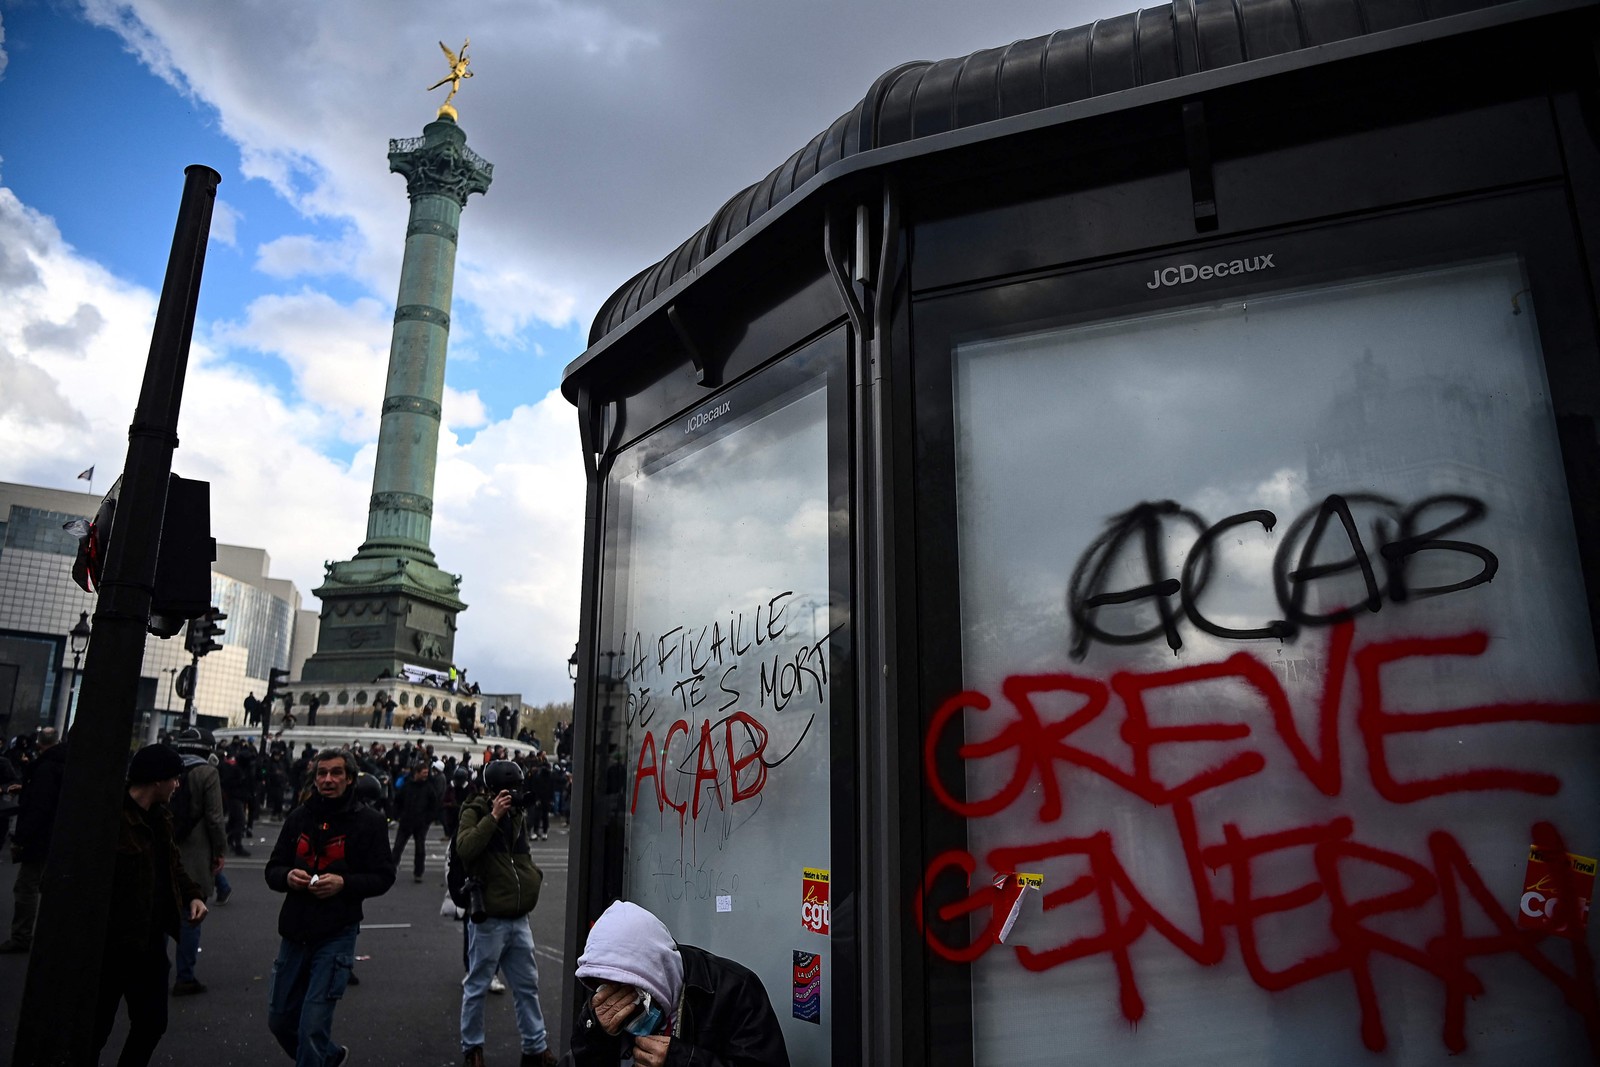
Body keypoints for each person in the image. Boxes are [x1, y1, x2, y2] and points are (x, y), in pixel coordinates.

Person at [265, 748, 395, 1067]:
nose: (328, 779)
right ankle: (330, 1057)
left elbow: (384, 877)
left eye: (336, 773)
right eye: (322, 773)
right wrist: (287, 876)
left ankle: (317, 1057)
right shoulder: (299, 817)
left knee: (311, 1027)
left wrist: (344, 884)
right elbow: (273, 868)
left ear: (350, 778)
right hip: (295, 930)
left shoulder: (370, 822)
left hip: (337, 932)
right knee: (280, 1021)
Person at [94, 744, 208, 1067]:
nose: (177, 785)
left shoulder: (160, 818)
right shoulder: (112, 817)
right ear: (157, 780)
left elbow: (171, 864)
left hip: (149, 942)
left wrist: (193, 894)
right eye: (174, 778)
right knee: (96, 1028)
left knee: (152, 1023)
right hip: (113, 945)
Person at [569, 900, 790, 1067]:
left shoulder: (735, 990)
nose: (617, 999)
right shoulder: (607, 1001)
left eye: (627, 988)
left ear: (650, 974)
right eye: (606, 987)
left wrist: (683, 1060)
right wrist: (594, 1033)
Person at [456, 760, 556, 1067]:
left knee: (527, 985)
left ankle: (535, 1048)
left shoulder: (518, 815)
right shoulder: (475, 810)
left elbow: (521, 857)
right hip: (490, 918)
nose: (514, 795)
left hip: (518, 914)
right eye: (507, 791)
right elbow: (465, 848)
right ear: (492, 791)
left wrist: (533, 876)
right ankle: (472, 1049)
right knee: (477, 986)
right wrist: (494, 816)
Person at [171, 729, 227, 995]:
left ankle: (147, 970)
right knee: (191, 914)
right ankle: (185, 976)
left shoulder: (168, 768)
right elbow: (215, 818)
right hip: (195, 849)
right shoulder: (207, 773)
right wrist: (220, 851)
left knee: (160, 910)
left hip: (166, 845)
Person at [1, 727, 66, 953]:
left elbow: (38, 807)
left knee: (26, 887)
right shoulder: (63, 763)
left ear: (39, 743)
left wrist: (21, 838)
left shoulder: (45, 768)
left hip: (38, 838)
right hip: (55, 836)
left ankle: (21, 936)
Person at [390, 759, 442, 883]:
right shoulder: (407, 786)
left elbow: (434, 805)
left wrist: (427, 820)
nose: (426, 775)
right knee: (397, 847)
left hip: (420, 824)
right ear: (416, 773)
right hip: (406, 822)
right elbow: (398, 801)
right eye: (424, 772)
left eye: (426, 772)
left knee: (420, 849)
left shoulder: (429, 787)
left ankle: (418, 873)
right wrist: (397, 816)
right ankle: (391, 870)